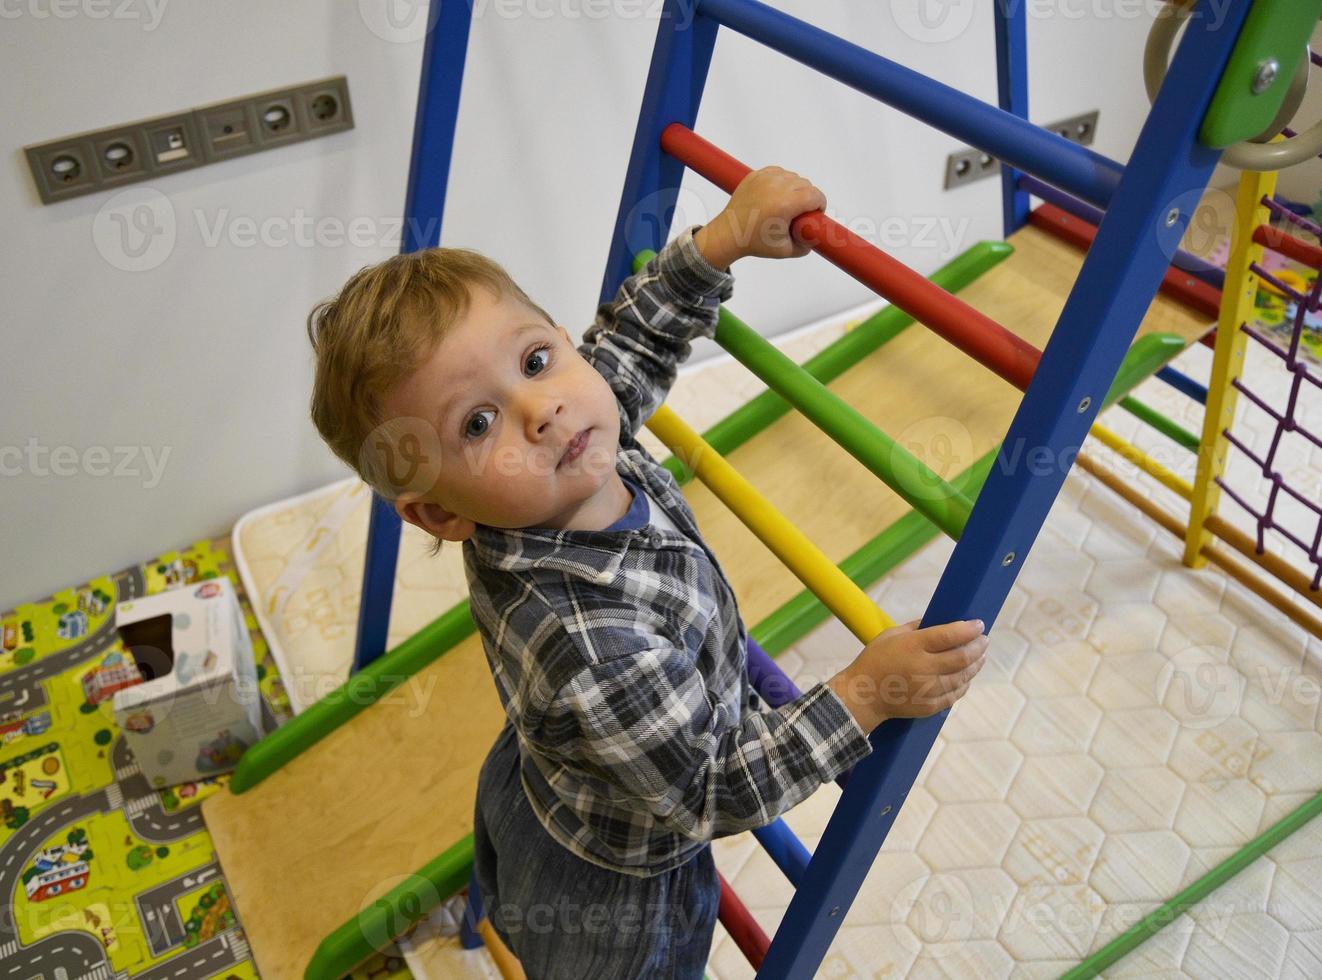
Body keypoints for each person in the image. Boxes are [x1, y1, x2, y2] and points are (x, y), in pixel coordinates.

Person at [306, 166, 989, 978]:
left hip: (551, 783)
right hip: (619, 897)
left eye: (534, 358)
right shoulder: (594, 644)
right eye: (478, 421)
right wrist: (866, 694)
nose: (541, 408)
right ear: (441, 515)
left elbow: (626, 349)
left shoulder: (566, 457)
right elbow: (715, 790)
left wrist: (720, 242)